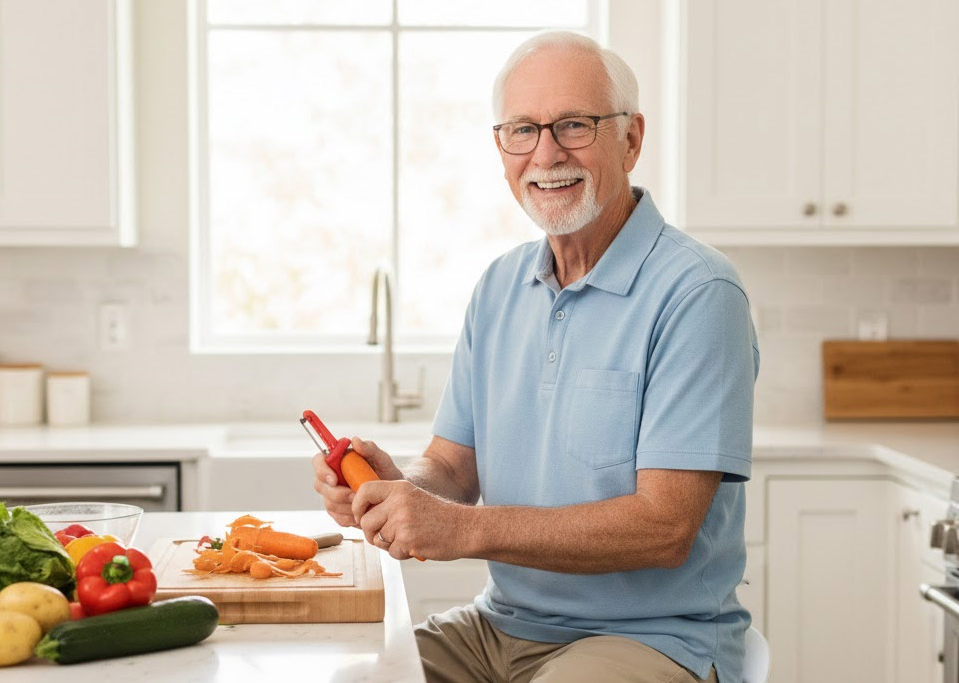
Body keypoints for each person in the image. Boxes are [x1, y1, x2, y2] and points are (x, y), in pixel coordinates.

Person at [313, 30, 759, 683]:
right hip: (498, 627)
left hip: (652, 639)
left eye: (574, 125)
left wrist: (460, 530)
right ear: (501, 147)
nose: (546, 154)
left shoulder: (697, 294)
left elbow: (663, 527)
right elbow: (449, 466)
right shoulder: (499, 286)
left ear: (631, 139)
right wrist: (397, 490)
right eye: (522, 130)